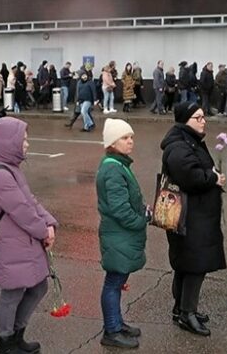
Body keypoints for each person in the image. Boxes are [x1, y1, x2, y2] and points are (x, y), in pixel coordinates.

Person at [0, 117, 57, 354]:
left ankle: (17, 334)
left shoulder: (12, 169)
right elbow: (22, 211)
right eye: (23, 140)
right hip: (14, 243)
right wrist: (42, 230)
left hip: (26, 241)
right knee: (13, 292)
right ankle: (6, 342)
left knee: (38, 287)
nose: (27, 144)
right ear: (8, 142)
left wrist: (49, 222)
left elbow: (31, 201)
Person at [161, 102, 227, 337]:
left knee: (187, 264)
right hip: (188, 215)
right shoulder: (179, 146)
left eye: (203, 116)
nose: (203, 120)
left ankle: (181, 309)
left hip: (194, 214)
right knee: (195, 265)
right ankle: (187, 312)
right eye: (197, 117)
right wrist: (213, 178)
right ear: (184, 120)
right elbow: (189, 176)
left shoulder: (189, 140)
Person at [96, 119, 148, 349]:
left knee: (117, 282)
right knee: (113, 283)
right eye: (125, 138)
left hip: (120, 236)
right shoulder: (112, 168)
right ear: (112, 143)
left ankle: (117, 323)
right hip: (119, 235)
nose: (130, 142)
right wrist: (140, 221)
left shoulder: (119, 165)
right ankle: (112, 330)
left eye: (131, 137)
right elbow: (120, 208)